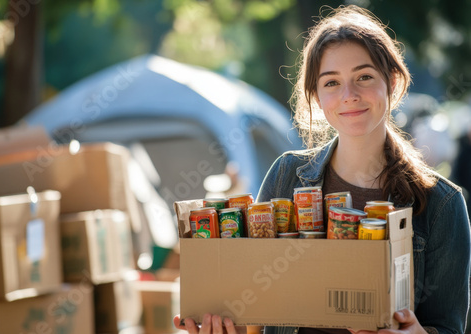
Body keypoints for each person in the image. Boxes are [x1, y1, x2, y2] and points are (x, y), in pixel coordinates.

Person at [174, 5, 471, 334]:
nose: (349, 95)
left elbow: (448, 326)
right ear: (316, 96)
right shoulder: (286, 175)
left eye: (364, 77)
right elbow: (256, 304)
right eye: (331, 83)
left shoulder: (442, 204)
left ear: (393, 81)